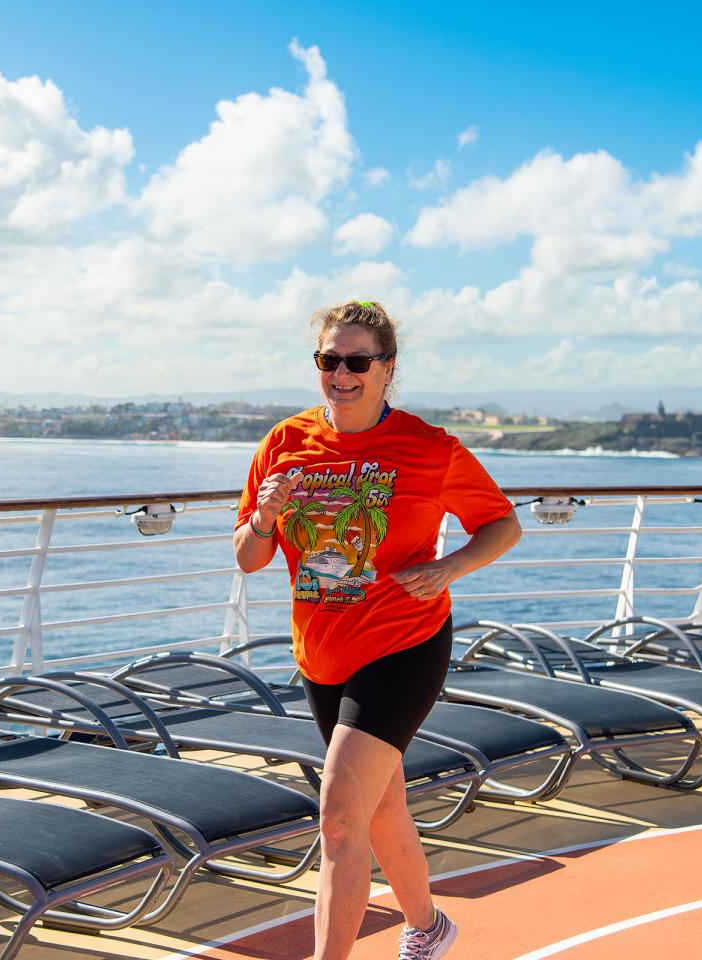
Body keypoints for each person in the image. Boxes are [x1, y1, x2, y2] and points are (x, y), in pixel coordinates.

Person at [234, 300, 522, 960]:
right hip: (323, 653)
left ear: (387, 368)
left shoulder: (429, 448)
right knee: (381, 806)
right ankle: (429, 926)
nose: (341, 374)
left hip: (404, 643)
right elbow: (248, 558)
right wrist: (264, 520)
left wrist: (449, 567)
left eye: (357, 362)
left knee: (340, 817)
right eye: (329, 360)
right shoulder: (285, 443)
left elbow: (502, 524)